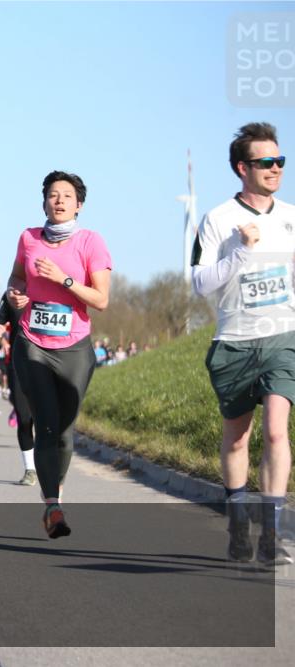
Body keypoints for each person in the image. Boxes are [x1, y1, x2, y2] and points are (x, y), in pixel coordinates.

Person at [191, 122, 294, 566]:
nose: (275, 169)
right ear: (242, 168)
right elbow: (199, 283)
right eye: (265, 162)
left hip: (281, 338)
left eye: (279, 161)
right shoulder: (217, 219)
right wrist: (239, 251)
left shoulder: (291, 216)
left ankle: (271, 533)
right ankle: (237, 521)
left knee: (275, 430)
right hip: (234, 341)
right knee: (237, 439)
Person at [7, 171, 111, 538]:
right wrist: (15, 295)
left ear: (79, 205)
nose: (59, 200)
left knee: (64, 432)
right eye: (53, 195)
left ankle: (54, 488)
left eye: (67, 195)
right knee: (47, 422)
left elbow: (101, 300)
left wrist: (64, 280)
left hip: (74, 348)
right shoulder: (28, 237)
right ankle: (52, 505)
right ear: (44, 203)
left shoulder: (90, 242)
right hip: (32, 342)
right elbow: (16, 279)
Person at [0, 296, 36, 486]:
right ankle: (30, 469)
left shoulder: (55, 286)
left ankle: (50, 463)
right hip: (18, 363)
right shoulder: (13, 294)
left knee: (46, 419)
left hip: (51, 363)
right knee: (24, 418)